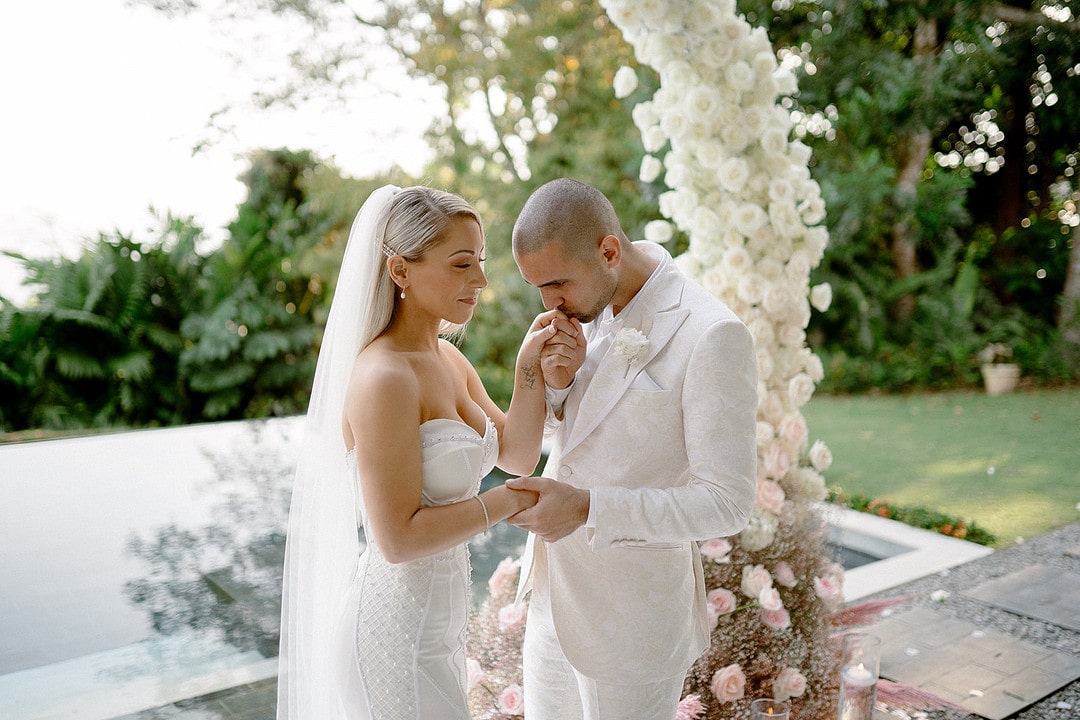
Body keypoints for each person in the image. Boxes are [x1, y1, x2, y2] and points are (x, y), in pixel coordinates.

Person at [277, 185, 570, 719]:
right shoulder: (384, 376)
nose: (479, 280)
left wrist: (531, 366)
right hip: (393, 636)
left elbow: (519, 454)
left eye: (479, 262)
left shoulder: (449, 361)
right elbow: (397, 538)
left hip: (438, 632)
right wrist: (509, 503)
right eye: (461, 264)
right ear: (400, 271)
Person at [507, 178, 759, 720]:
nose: (549, 305)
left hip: (632, 622)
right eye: (538, 289)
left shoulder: (713, 334)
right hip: (554, 599)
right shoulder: (587, 307)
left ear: (609, 251)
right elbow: (589, 437)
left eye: (556, 284)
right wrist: (559, 384)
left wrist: (586, 507)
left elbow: (727, 502)